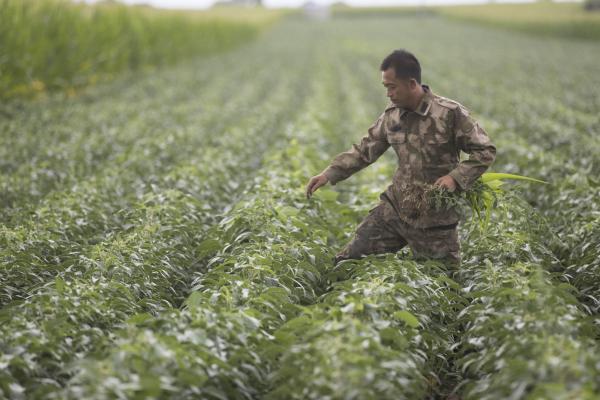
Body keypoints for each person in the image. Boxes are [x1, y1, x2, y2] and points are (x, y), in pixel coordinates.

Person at [305, 49, 496, 266]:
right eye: (386, 87)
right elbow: (364, 150)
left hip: (434, 219)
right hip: (395, 210)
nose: (388, 94)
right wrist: (329, 174)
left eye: (391, 87)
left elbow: (485, 150)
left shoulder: (449, 114)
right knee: (348, 262)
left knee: (443, 285)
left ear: (412, 83)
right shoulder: (392, 115)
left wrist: (455, 178)